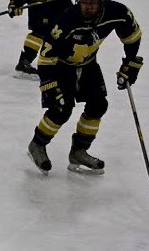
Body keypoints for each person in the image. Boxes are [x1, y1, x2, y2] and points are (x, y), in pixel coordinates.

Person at [27, 0, 143, 175]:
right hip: (60, 65)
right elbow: (45, 56)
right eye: (84, 3)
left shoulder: (118, 12)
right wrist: (49, 85)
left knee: (98, 106)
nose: (88, 7)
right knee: (61, 108)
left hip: (88, 64)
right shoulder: (67, 20)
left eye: (93, 3)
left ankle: (78, 152)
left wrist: (130, 62)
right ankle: (37, 144)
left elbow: (132, 36)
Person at [8, 0, 73, 80]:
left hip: (59, 6)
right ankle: (25, 62)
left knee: (61, 32)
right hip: (39, 9)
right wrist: (14, 4)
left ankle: (59, 63)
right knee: (39, 32)